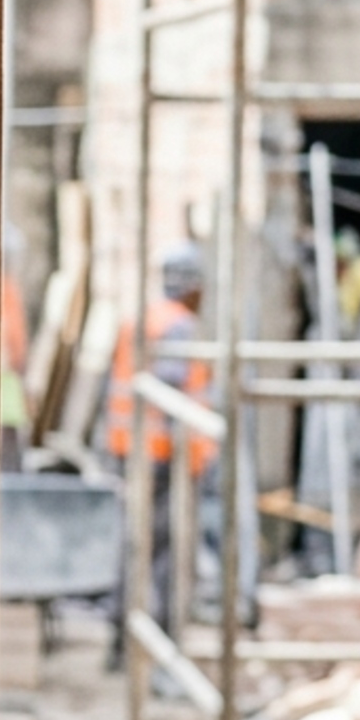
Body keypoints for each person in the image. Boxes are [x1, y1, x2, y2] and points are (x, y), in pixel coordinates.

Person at [106, 243, 217, 641]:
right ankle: (163, 643)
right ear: (190, 285)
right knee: (166, 556)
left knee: (133, 546)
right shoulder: (179, 325)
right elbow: (169, 395)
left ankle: (120, 638)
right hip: (164, 458)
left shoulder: (140, 319)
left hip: (130, 450)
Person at [296, 227, 360, 570]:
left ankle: (349, 559)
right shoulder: (333, 301)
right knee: (323, 486)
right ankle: (322, 558)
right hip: (332, 405)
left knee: (356, 486)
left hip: (358, 406)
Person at [0, 222, 33, 471]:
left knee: (8, 426)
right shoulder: (4, 290)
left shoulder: (6, 288)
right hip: (4, 372)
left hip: (4, 372)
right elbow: (14, 337)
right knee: (6, 427)